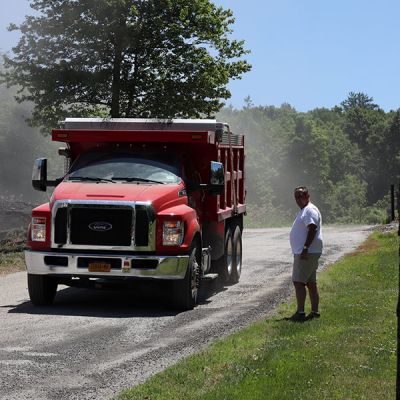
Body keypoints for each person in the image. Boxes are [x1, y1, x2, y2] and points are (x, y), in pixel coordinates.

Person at [288, 186, 323, 322]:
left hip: (307, 252)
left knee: (298, 282)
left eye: (301, 196)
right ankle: (314, 312)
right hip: (310, 252)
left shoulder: (309, 210)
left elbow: (312, 228)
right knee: (310, 283)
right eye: (296, 196)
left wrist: (305, 248)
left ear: (308, 196)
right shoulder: (305, 210)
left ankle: (300, 312)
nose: (298, 199)